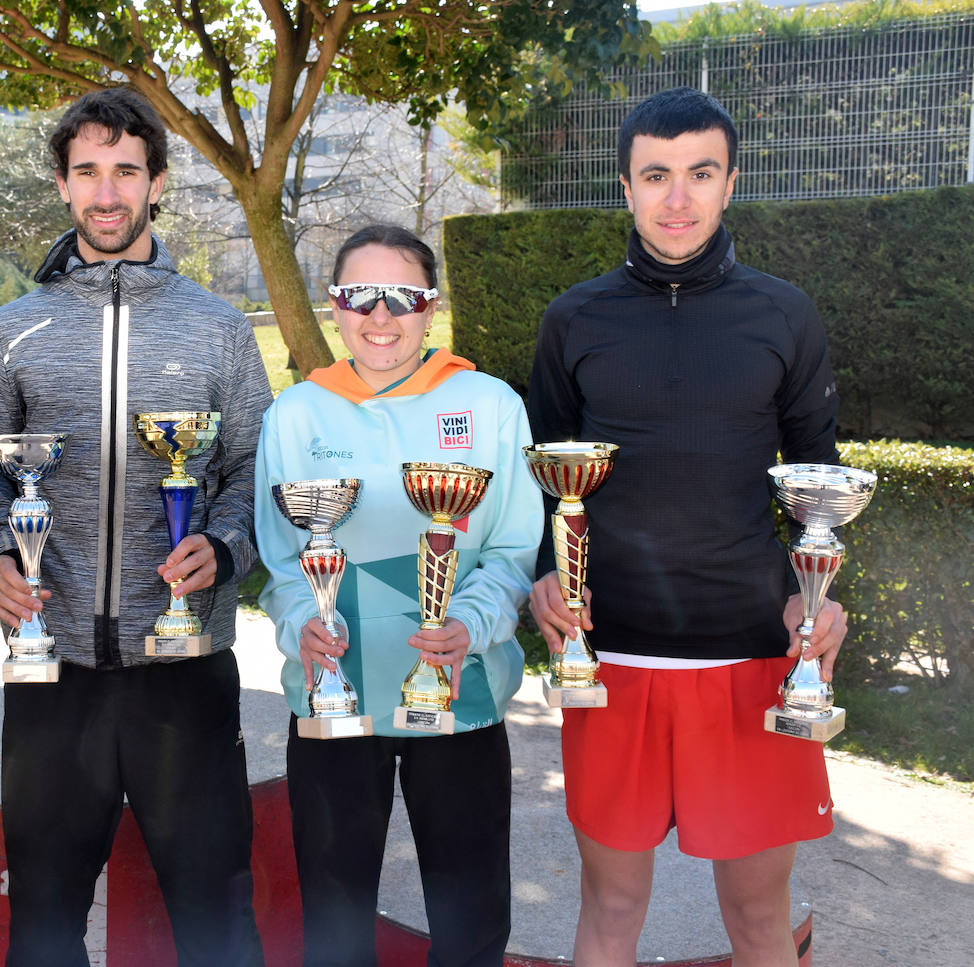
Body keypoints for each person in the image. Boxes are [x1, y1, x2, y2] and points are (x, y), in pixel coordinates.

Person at [526, 87, 845, 967]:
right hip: (612, 659)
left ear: (730, 182)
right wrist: (541, 578)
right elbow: (550, 494)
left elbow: (816, 491)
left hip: (750, 660)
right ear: (623, 186)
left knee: (756, 918)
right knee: (612, 908)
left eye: (700, 174)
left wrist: (822, 600)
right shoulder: (573, 320)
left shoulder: (784, 315)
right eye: (655, 175)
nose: (677, 198)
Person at [0, 87, 271, 966]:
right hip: (51, 666)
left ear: (157, 183)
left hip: (184, 667)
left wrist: (226, 544)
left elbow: (251, 464)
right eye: (88, 171)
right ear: (63, 185)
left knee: (216, 923)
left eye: (125, 171)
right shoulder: (12, 331)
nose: (107, 193)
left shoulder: (217, 328)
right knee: (47, 927)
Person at [253, 224, 543, 965]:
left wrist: (471, 625)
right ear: (335, 304)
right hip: (334, 697)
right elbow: (283, 562)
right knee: (337, 923)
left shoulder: (489, 403)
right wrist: (299, 627)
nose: (380, 317)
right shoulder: (296, 412)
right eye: (360, 297)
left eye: (401, 298)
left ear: (431, 305)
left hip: (460, 691)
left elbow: (513, 546)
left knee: (472, 919)